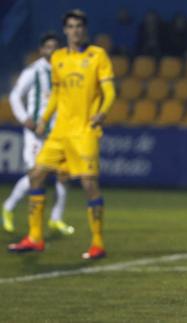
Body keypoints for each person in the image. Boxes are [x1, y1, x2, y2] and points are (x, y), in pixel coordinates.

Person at [8, 9, 116, 260]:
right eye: (70, 26)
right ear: (65, 30)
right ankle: (35, 238)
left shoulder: (97, 55)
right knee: (36, 175)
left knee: (89, 184)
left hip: (84, 131)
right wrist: (44, 119)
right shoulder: (58, 58)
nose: (75, 30)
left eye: (79, 26)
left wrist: (102, 112)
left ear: (84, 29)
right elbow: (56, 94)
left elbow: (109, 91)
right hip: (59, 132)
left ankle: (97, 243)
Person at [3, 33, 74, 236]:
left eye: (55, 47)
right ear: (41, 50)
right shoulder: (33, 71)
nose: (51, 51)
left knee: (63, 174)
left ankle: (56, 219)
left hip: (57, 132)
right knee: (36, 175)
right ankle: (8, 208)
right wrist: (25, 118)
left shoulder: (63, 70)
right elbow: (15, 95)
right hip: (36, 132)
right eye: (47, 47)